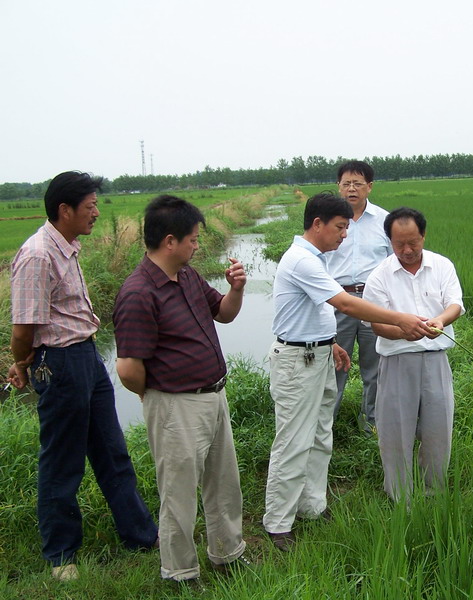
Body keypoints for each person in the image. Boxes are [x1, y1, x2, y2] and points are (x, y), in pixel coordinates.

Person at [7, 171, 158, 582]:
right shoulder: (38, 255)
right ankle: (61, 554)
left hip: (86, 356)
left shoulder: (67, 246)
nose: (96, 213)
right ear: (65, 210)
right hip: (59, 363)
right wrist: (21, 363)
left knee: (112, 451)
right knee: (62, 461)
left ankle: (141, 535)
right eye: (90, 206)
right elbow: (23, 329)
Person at [263, 192, 433, 551]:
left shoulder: (316, 258)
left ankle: (312, 506)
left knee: (320, 435)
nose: (344, 235)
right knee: (294, 441)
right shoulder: (302, 260)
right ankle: (278, 522)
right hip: (297, 362)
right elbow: (343, 303)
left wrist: (330, 342)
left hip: (317, 355)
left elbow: (312, 311)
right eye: (340, 227)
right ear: (318, 224)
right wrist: (400, 319)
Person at [112, 195, 248, 585]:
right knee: (179, 493)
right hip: (175, 405)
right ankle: (181, 573)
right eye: (192, 239)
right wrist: (157, 395)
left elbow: (223, 313)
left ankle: (227, 554)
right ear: (169, 241)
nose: (197, 245)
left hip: (213, 396)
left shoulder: (186, 276)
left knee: (224, 484)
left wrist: (236, 289)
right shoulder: (139, 293)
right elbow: (128, 368)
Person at [363, 207, 464, 504]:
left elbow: (455, 304)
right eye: (399, 244)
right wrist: (401, 332)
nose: (407, 250)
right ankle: (400, 497)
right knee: (396, 432)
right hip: (397, 361)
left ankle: (434, 492)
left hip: (435, 359)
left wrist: (440, 321)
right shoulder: (379, 276)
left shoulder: (442, 266)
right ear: (390, 242)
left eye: (413, 243)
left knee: (438, 429)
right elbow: (376, 324)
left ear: (423, 236)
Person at [325, 160, 391, 434]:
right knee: (334, 366)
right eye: (346, 183)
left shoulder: (385, 221)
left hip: (373, 302)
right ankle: (325, 426)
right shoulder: (328, 222)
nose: (352, 189)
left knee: (375, 366)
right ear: (338, 186)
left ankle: (372, 423)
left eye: (358, 183)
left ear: (370, 187)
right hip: (337, 301)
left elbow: (394, 263)